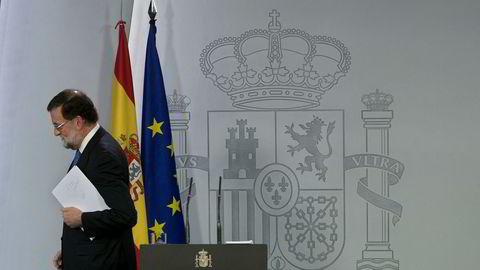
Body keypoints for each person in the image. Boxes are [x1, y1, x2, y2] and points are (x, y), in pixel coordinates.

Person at [48, 89, 137, 270]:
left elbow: (125, 215)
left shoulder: (104, 155)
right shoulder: (90, 149)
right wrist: (71, 251)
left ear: (78, 122)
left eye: (58, 126)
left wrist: (82, 219)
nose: (56, 133)